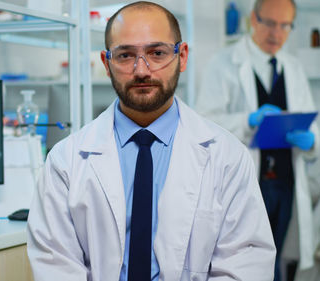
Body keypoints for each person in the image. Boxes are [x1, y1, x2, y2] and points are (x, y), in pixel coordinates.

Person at [27, 2, 276, 281]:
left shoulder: (228, 156)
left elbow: (245, 264)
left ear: (182, 56)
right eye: (125, 55)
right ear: (106, 64)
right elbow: (56, 266)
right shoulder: (66, 161)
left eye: (157, 53)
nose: (142, 70)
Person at [195, 0, 320, 280]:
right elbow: (203, 124)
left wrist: (310, 141)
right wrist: (247, 119)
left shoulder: (294, 68)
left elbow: (312, 126)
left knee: (278, 258)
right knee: (247, 262)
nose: (277, 33)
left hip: (286, 183)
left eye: (285, 25)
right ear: (253, 19)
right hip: (248, 182)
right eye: (270, 23)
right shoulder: (224, 63)